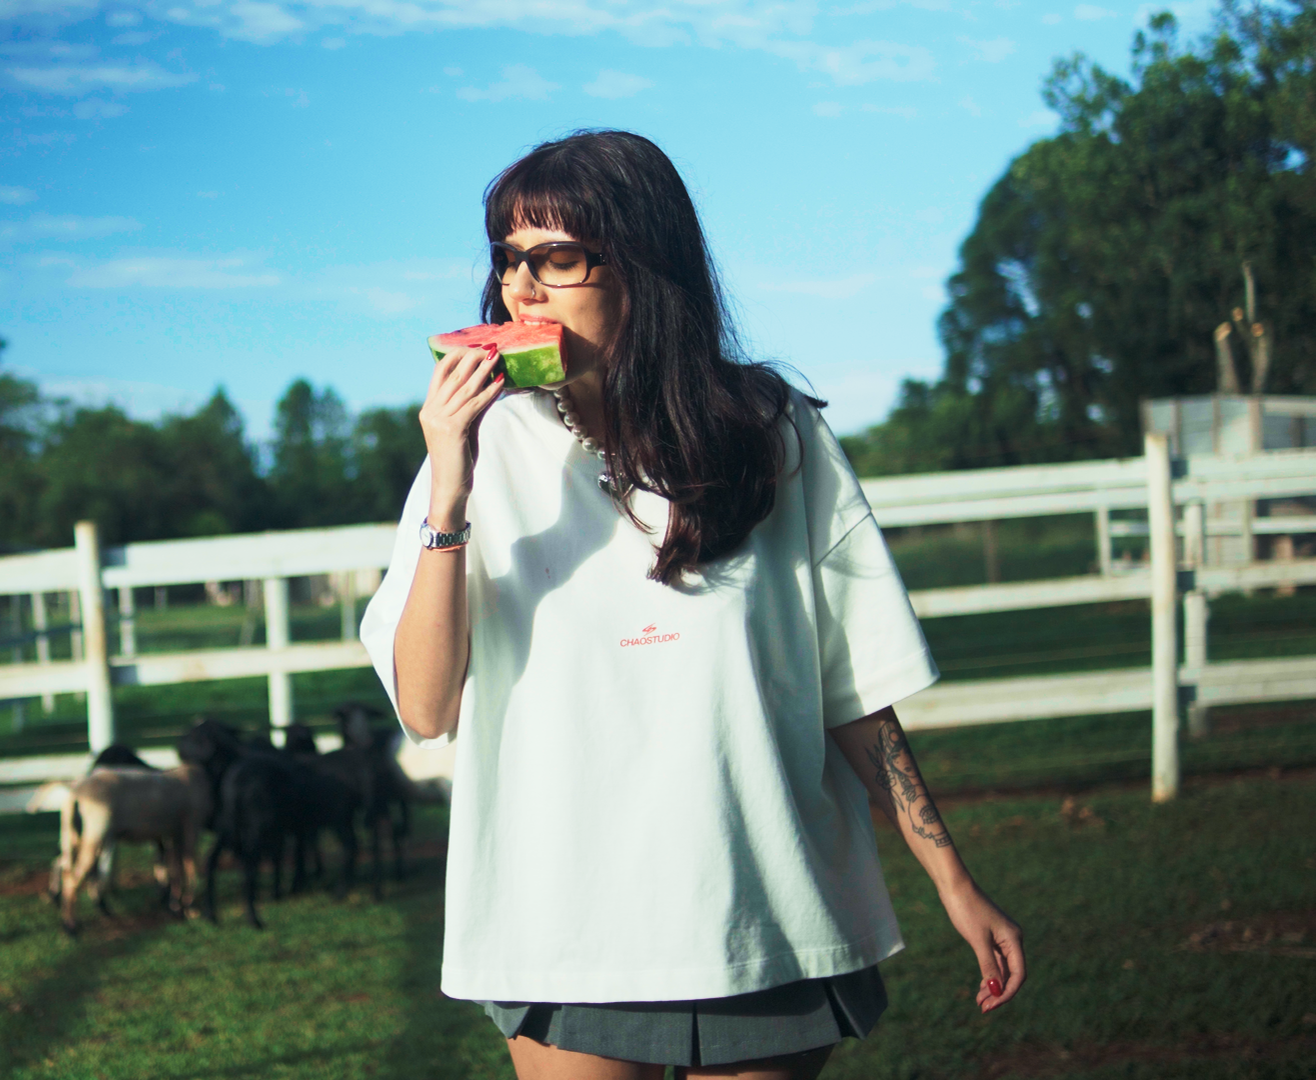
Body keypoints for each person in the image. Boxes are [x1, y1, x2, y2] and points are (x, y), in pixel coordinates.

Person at [360, 130, 1025, 1080]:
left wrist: (952, 881)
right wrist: (449, 493)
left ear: (643, 266)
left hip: (764, 907)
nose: (522, 290)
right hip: (563, 922)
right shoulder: (479, 452)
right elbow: (426, 707)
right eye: (509, 260)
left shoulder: (772, 434)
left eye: (557, 258)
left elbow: (850, 684)